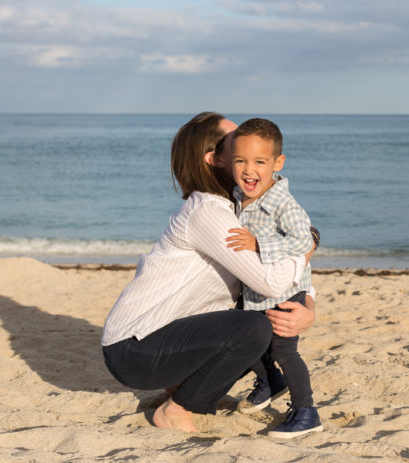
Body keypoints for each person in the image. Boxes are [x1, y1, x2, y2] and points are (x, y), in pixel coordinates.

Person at [101, 112, 316, 433]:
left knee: (252, 324)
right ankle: (178, 410)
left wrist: (308, 306)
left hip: (156, 341)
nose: (246, 138)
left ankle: (179, 387)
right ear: (215, 159)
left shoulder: (237, 206)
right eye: (236, 140)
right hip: (132, 350)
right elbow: (271, 282)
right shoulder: (208, 212)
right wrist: (308, 245)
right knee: (254, 328)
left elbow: (278, 273)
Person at [225, 118, 323, 438]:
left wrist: (258, 243)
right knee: (247, 342)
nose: (249, 169)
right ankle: (270, 381)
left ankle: (306, 411)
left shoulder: (283, 203)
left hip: (285, 291)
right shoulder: (239, 196)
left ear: (277, 163)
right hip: (255, 293)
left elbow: (303, 242)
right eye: (241, 161)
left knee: (284, 351)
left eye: (259, 162)